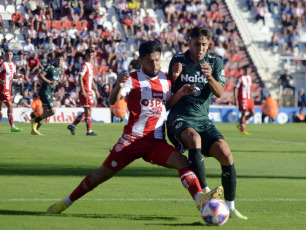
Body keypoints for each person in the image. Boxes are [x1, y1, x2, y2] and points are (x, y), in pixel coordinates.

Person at [45, 40, 222, 215]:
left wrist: (181, 93)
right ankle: (66, 202)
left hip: (156, 141)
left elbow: (165, 105)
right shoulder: (132, 79)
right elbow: (112, 101)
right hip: (132, 140)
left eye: (157, 60)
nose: (154, 64)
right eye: (149, 61)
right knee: (100, 176)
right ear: (140, 60)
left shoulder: (165, 80)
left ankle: (200, 198)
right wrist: (117, 87)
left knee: (182, 162)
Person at [166, 26, 247, 219]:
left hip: (202, 119)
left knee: (226, 154)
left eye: (204, 45)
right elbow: (167, 99)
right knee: (194, 139)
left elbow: (219, 93)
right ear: (189, 42)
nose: (200, 48)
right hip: (180, 118)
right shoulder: (178, 60)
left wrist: (209, 76)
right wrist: (175, 79)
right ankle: (205, 192)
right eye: (196, 44)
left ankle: (231, 206)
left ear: (209, 44)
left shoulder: (214, 62)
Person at [30, 53, 65, 135]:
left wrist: (62, 84)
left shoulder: (60, 70)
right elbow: (40, 75)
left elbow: (57, 81)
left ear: (63, 61)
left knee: (45, 113)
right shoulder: (50, 67)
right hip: (44, 91)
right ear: (55, 59)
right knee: (52, 111)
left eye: (61, 59)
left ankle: (35, 130)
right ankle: (35, 120)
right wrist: (49, 82)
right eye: (58, 59)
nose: (59, 61)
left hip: (49, 91)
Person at [67, 48, 100, 136]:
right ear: (86, 55)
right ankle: (88, 131)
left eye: (92, 55)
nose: (90, 56)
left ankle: (73, 125)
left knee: (88, 110)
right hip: (85, 90)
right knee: (88, 110)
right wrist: (82, 90)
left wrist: (96, 90)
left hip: (89, 90)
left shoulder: (90, 65)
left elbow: (91, 79)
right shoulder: (84, 64)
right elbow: (80, 78)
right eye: (89, 55)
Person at [0, 49, 24, 132]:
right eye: (7, 54)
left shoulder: (13, 65)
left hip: (8, 88)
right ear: (4, 56)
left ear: (12, 55)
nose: (9, 56)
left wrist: (19, 76)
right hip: (3, 88)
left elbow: (13, 76)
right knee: (10, 105)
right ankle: (12, 126)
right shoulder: (3, 65)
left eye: (10, 54)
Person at [234, 66, 255, 135]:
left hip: (248, 98)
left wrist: (251, 97)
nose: (247, 71)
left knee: (252, 112)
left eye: (248, 70)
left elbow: (249, 88)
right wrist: (235, 99)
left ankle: (241, 123)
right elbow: (235, 88)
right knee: (244, 113)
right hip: (242, 97)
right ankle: (243, 129)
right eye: (246, 69)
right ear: (244, 70)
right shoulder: (240, 78)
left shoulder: (249, 77)